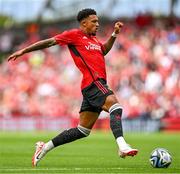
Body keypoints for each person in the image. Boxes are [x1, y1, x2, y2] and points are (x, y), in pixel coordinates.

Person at [8, 8, 138, 167]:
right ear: (84, 23)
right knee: (115, 106)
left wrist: (114, 34)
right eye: (94, 21)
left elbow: (103, 51)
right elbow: (49, 41)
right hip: (94, 83)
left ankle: (44, 147)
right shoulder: (74, 35)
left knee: (82, 131)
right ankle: (122, 146)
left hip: (91, 86)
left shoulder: (94, 41)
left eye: (98, 21)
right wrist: (24, 50)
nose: (98, 24)